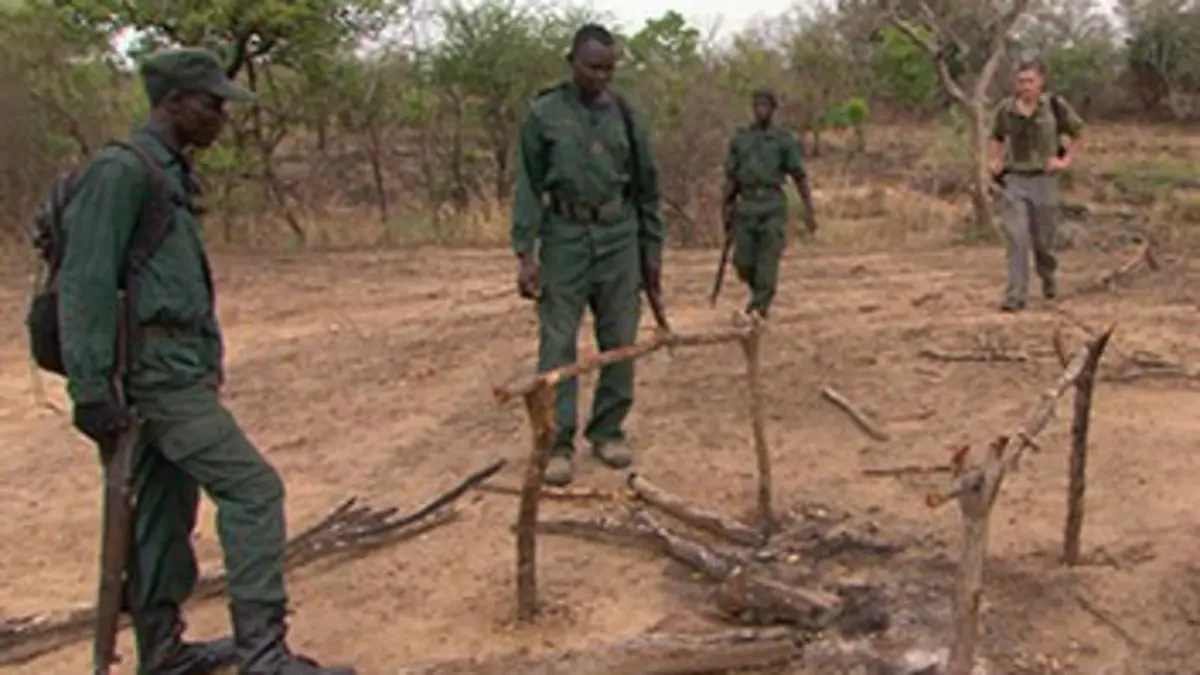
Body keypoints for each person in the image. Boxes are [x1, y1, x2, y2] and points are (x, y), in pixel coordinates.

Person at [56, 48, 355, 675]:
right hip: (152, 377)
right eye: (211, 103)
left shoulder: (168, 173)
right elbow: (85, 281)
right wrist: (89, 388)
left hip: (178, 367)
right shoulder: (123, 171)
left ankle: (163, 651)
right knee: (252, 489)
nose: (222, 116)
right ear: (173, 103)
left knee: (165, 509)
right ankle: (263, 655)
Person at [510, 23, 665, 487]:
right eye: (593, 67)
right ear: (571, 62)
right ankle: (557, 443)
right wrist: (525, 253)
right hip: (564, 238)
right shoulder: (543, 114)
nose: (601, 77)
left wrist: (651, 252)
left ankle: (608, 431)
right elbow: (528, 186)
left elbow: (647, 188)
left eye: (609, 69)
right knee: (557, 344)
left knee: (619, 338)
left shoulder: (625, 113)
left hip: (619, 235)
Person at [988, 57, 1084, 312]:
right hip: (1015, 180)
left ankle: (1048, 276)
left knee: (1044, 242)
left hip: (1044, 180)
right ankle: (1015, 296)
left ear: (1041, 82)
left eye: (1030, 81)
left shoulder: (1054, 106)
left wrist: (1065, 161)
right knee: (1017, 238)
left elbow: (1078, 132)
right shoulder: (1005, 109)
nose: (1025, 86)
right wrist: (994, 160)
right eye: (1021, 81)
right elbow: (997, 136)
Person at [721, 88, 817, 320]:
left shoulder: (783, 140)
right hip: (746, 206)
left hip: (772, 205)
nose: (760, 110)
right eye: (757, 106)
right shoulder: (741, 139)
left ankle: (757, 309)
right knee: (743, 262)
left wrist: (809, 210)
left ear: (773, 109)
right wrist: (725, 208)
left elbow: (799, 176)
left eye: (765, 106)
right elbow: (731, 178)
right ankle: (759, 296)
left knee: (768, 261)